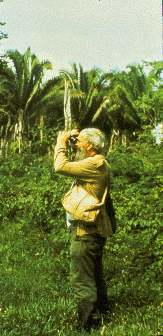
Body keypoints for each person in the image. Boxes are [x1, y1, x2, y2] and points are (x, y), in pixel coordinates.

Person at [54, 128, 116, 333]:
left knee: (81, 276)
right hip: (94, 230)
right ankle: (103, 314)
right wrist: (74, 140)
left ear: (90, 145)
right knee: (94, 272)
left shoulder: (94, 164)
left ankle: (87, 323)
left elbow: (60, 166)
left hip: (87, 231)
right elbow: (76, 162)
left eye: (79, 141)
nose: (75, 144)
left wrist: (61, 142)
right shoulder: (95, 162)